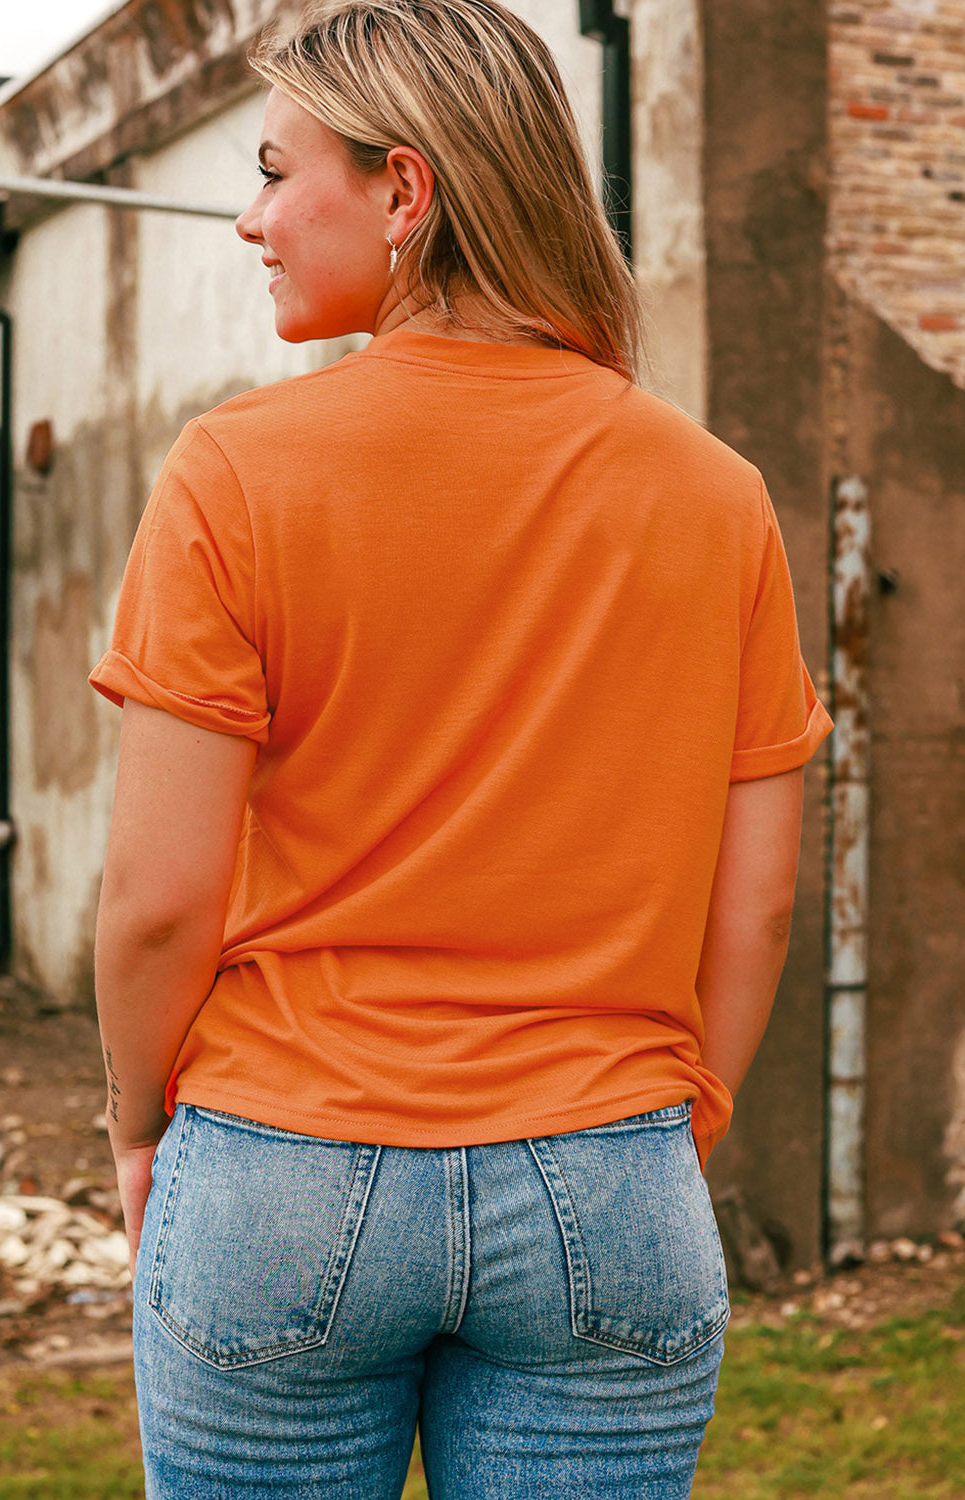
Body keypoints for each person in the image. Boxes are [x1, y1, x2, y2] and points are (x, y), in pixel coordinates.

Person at [90, 2, 832, 1496]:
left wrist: (134, 1126)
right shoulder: (713, 493)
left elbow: (159, 899)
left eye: (274, 170)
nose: (249, 219)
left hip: (280, 1163)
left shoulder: (238, 471)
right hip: (608, 1161)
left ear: (404, 190)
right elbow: (751, 902)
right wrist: (675, 1124)